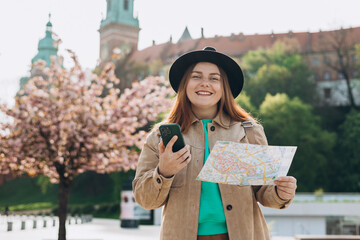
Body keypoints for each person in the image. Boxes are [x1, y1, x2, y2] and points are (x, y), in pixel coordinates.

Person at [133, 47, 297, 240]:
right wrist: (164, 171)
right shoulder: (160, 137)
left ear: (224, 87)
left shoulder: (249, 131)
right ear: (185, 84)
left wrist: (281, 192)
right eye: (196, 77)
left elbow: (263, 192)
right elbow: (145, 200)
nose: (205, 84)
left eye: (214, 78)